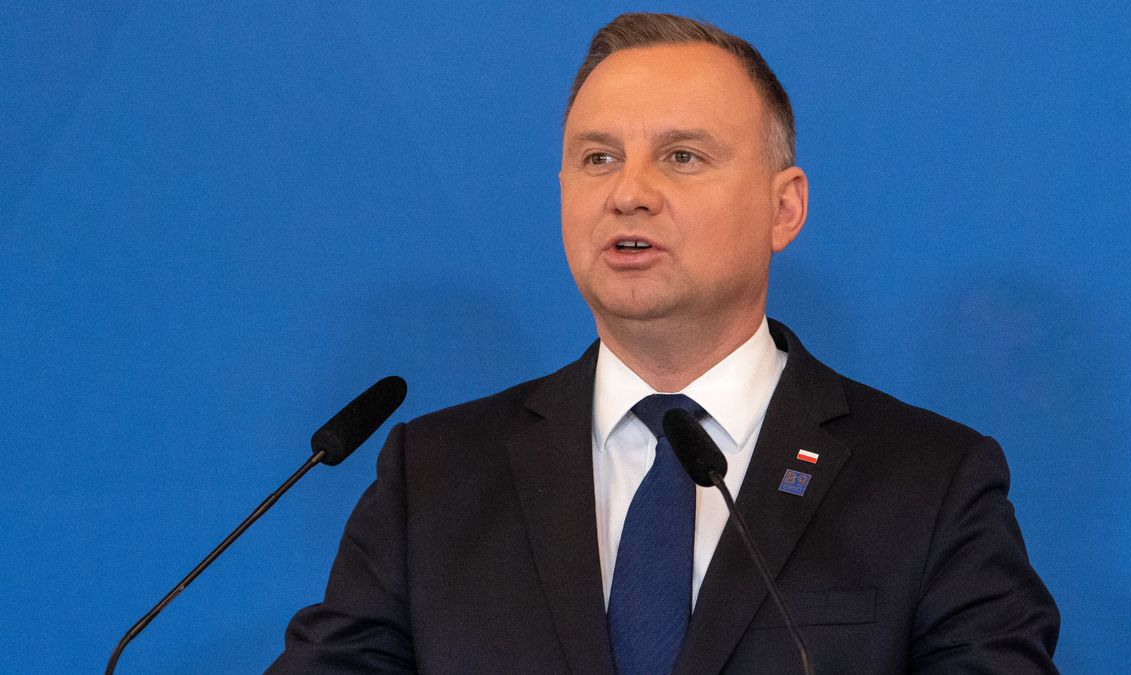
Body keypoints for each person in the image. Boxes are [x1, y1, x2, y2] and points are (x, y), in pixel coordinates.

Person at [269, 13, 1059, 673]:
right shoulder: (433, 479)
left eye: (681, 156)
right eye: (597, 158)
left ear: (784, 208)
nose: (629, 192)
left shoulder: (931, 483)